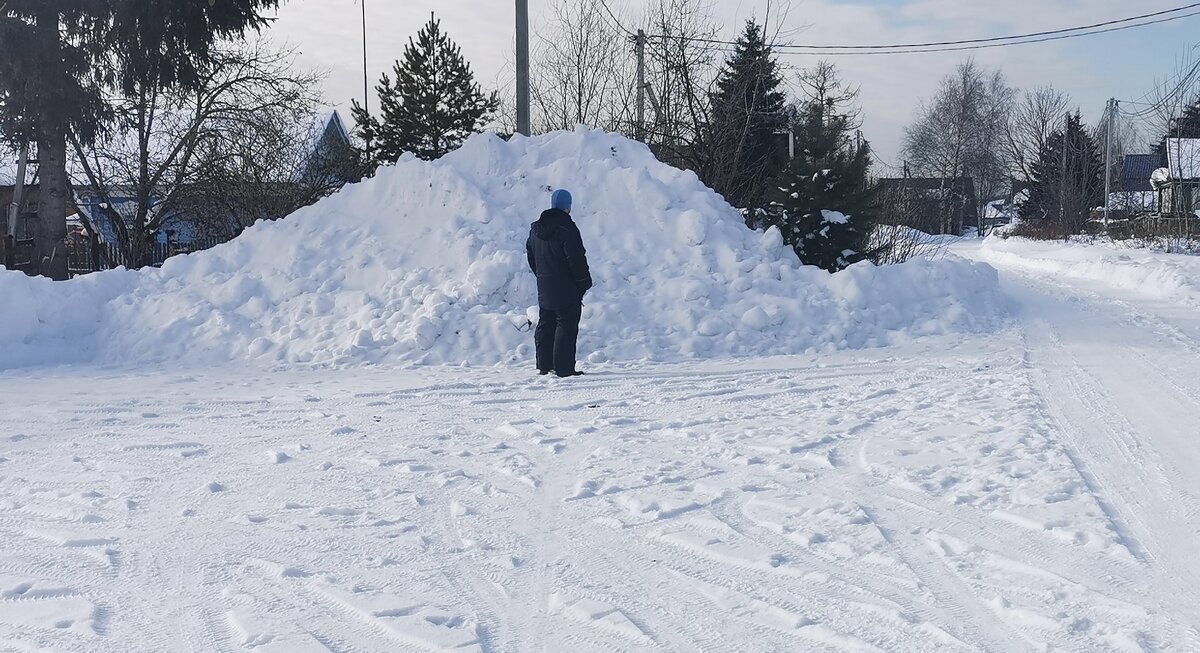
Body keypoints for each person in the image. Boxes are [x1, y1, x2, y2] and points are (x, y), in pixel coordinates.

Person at [526, 188, 592, 377]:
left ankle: (544, 365)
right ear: (568, 207)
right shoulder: (567, 228)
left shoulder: (535, 230)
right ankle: (564, 368)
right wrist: (584, 282)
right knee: (566, 325)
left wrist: (541, 275)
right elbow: (576, 259)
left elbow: (531, 257)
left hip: (545, 286)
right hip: (567, 287)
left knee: (546, 323)